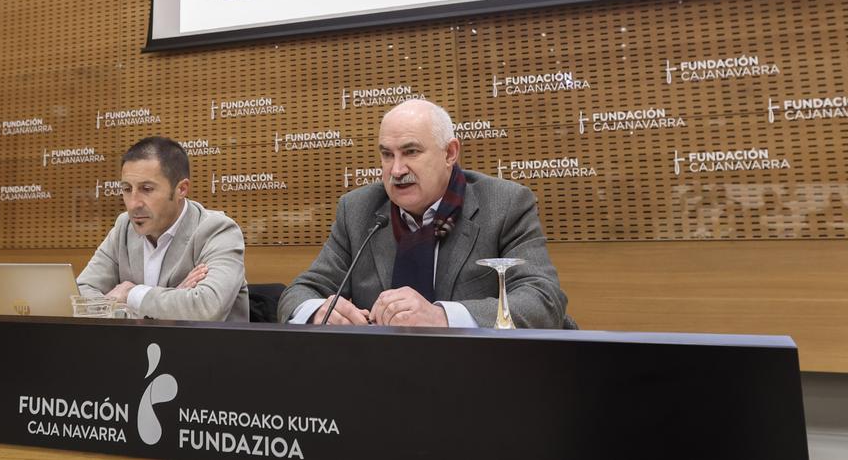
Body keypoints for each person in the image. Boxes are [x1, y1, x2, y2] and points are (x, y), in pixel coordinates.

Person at [278, 99, 570, 328]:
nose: (397, 170)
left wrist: (442, 316)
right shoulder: (358, 210)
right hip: (382, 372)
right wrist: (318, 311)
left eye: (411, 152)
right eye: (387, 155)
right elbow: (300, 292)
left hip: (478, 369)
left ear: (450, 153)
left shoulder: (503, 204)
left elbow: (543, 300)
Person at [77, 136, 249, 321]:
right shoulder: (124, 226)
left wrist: (131, 294)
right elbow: (80, 294)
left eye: (147, 189)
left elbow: (208, 308)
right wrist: (173, 298)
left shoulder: (217, 230)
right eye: (127, 189)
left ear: (181, 189)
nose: (133, 204)